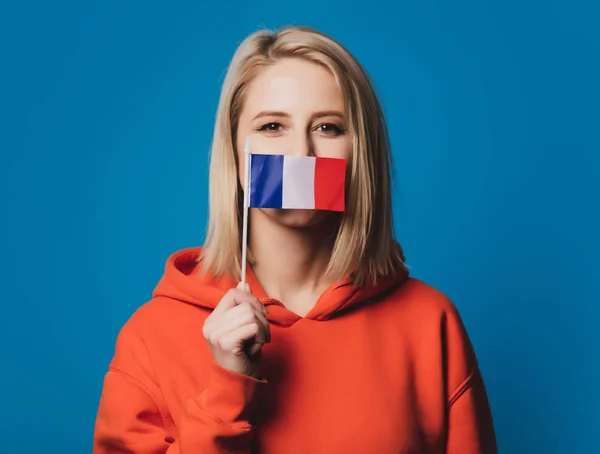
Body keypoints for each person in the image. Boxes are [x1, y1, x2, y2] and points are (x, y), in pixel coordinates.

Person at [93, 26, 497, 454]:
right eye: (271, 126)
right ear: (234, 151)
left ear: (361, 152)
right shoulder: (151, 336)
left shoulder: (429, 323)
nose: (300, 153)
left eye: (328, 127)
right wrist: (228, 388)